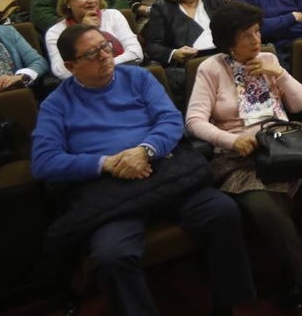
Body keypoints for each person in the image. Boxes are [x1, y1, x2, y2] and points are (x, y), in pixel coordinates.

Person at [32, 24, 254, 316]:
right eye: (92, 53)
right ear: (71, 66)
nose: (104, 55)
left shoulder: (137, 77)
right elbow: (44, 161)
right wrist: (106, 163)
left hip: (162, 174)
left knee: (222, 211)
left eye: (105, 46)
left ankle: (226, 305)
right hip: (112, 193)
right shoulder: (56, 104)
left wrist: (145, 150)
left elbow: (170, 120)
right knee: (113, 254)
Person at [185, 2, 302, 315]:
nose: (256, 40)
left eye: (257, 32)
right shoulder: (211, 68)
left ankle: (298, 273)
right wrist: (231, 139)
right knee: (266, 209)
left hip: (287, 146)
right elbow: (194, 120)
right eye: (247, 36)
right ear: (229, 41)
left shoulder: (269, 58)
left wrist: (279, 73)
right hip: (243, 157)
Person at [143, 0, 225, 93]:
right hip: (188, 65)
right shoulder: (163, 8)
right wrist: (174, 53)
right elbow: (152, 47)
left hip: (220, 57)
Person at [44, 0, 142, 79]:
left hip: (125, 77)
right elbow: (62, 71)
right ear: (67, 1)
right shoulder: (55, 32)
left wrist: (102, 66)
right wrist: (81, 32)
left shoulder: (113, 15)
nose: (91, 0)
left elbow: (136, 53)